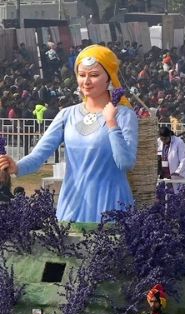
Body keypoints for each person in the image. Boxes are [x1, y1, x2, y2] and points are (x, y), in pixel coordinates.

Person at [0, 45, 138, 223]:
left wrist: (111, 123)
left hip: (111, 205)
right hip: (72, 206)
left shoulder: (125, 115)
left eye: (94, 75)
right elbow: (39, 155)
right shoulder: (67, 115)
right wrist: (17, 167)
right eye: (82, 75)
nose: (86, 81)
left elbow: (125, 163)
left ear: (109, 78)